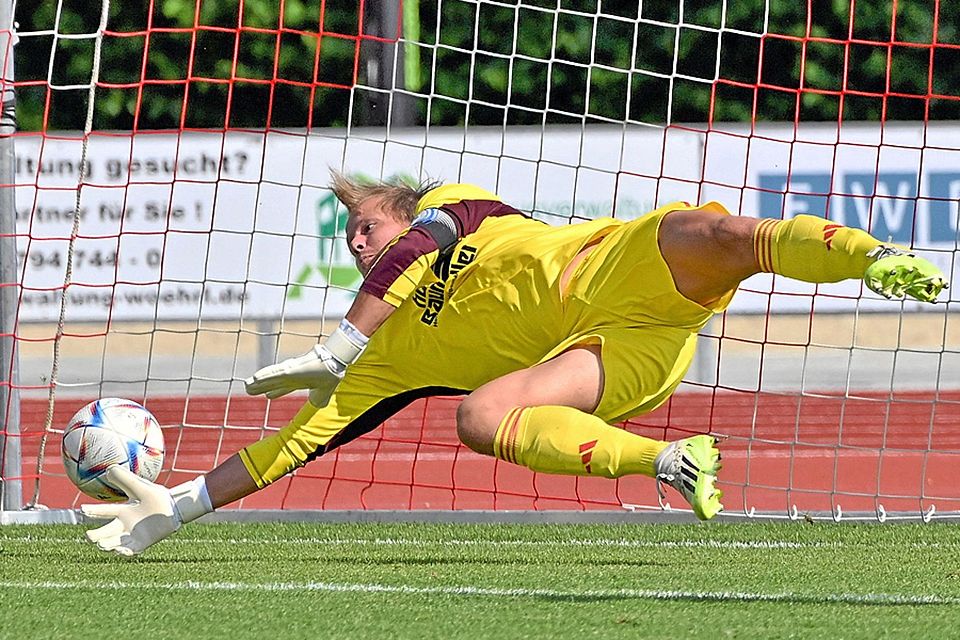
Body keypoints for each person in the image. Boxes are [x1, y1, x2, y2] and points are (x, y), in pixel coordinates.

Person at [81, 174, 948, 556]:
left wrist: (342, 337)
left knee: (719, 233)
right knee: (480, 419)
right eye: (346, 237)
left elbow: (424, 240)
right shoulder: (390, 358)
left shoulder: (451, 208)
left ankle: (873, 258)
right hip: (615, 356)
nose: (356, 242)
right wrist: (176, 506)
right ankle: (671, 461)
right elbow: (290, 449)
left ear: (401, 208)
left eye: (365, 227)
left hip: (624, 264)